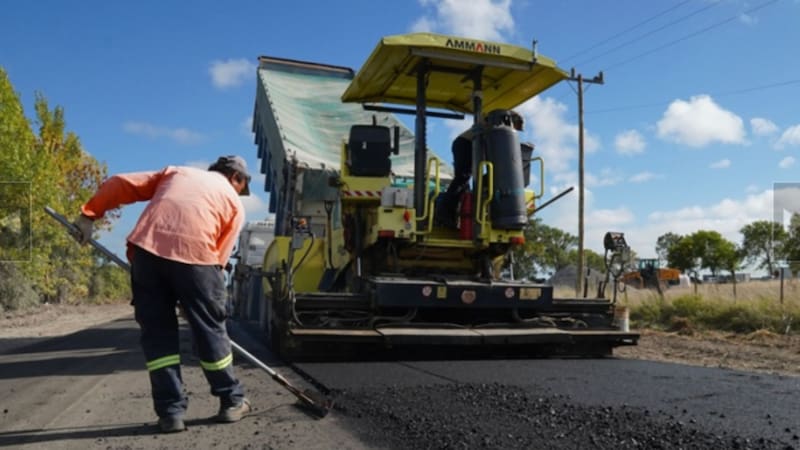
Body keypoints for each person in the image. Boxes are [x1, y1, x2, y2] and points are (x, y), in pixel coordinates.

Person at [73, 155, 252, 433]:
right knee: (210, 331)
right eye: (242, 186)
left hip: (148, 253)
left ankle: (170, 413)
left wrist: (89, 214)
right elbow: (218, 260)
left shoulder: (177, 173)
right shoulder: (233, 202)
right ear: (236, 179)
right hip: (198, 259)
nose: (241, 191)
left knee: (158, 337)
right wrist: (197, 300)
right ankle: (231, 400)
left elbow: (121, 183)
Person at [436, 110, 524, 228]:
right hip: (465, 144)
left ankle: (455, 215)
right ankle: (444, 212)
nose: (515, 129)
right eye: (517, 127)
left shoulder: (499, 129)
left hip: (467, 145)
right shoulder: (495, 123)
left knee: (466, 183)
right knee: (462, 178)